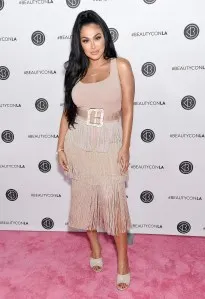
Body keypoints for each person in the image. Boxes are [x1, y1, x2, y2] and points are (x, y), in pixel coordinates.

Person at [56, 10, 135, 291]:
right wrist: (60, 146)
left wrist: (125, 146)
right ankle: (95, 249)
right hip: (79, 142)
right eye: (86, 40)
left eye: (97, 37)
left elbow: (127, 109)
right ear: (79, 43)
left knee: (115, 204)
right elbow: (68, 111)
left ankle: (123, 263)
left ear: (105, 36)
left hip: (110, 140)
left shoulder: (120, 66)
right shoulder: (75, 71)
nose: (93, 45)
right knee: (86, 200)